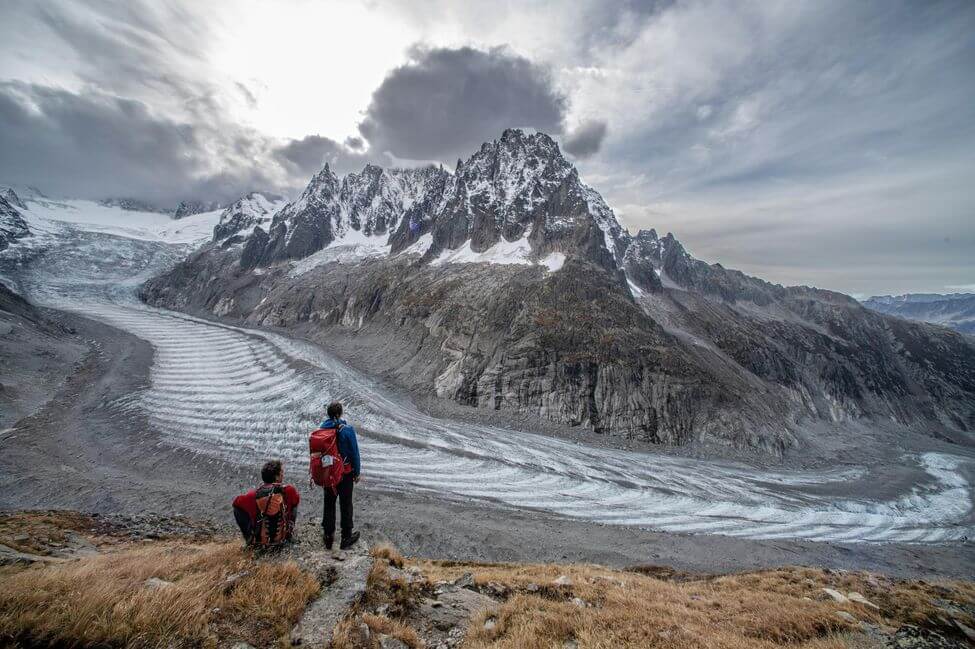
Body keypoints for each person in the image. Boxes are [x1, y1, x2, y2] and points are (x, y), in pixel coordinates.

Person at [319, 401, 361, 550]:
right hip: (345, 473)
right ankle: (346, 537)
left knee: (329, 503)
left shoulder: (322, 429)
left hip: (328, 473)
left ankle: (328, 536)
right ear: (339, 414)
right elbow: (354, 453)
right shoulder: (347, 430)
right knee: (346, 504)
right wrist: (357, 472)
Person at [233, 459, 300, 546]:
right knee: (294, 505)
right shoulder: (289, 490)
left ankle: (249, 540)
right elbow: (295, 503)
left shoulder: (253, 495)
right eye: (281, 472)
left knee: (238, 509)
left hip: (259, 543)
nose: (283, 475)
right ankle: (289, 536)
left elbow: (236, 505)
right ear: (276, 477)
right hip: (281, 542)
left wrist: (247, 533)